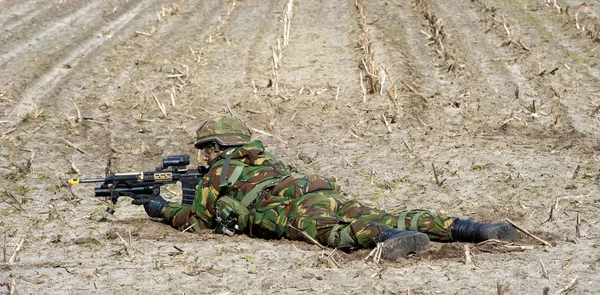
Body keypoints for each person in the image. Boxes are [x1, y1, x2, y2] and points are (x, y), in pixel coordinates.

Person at [134, 116, 516, 261]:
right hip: (318, 191)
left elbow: (197, 224)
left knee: (335, 233)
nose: (202, 158)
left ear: (217, 148)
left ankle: (394, 238)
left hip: (290, 210)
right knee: (382, 212)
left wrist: (158, 208)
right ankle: (474, 229)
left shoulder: (218, 174)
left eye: (205, 150)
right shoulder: (268, 159)